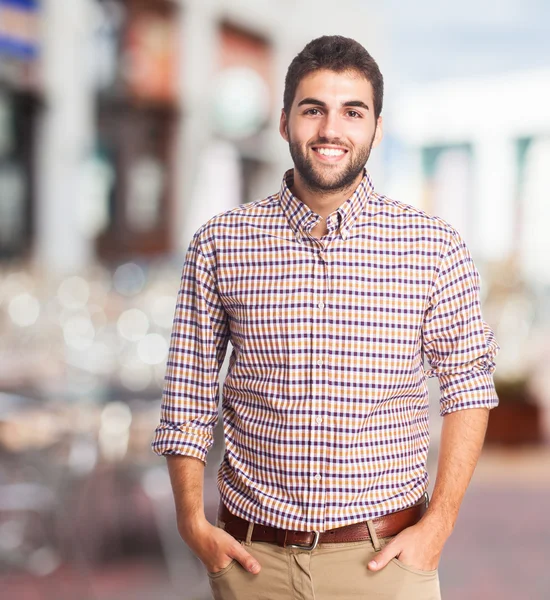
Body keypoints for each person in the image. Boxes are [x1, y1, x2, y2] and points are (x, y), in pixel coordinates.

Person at [152, 35, 499, 600]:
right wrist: (192, 522)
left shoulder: (434, 247)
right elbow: (187, 395)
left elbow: (468, 387)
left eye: (352, 112)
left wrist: (438, 526)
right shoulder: (220, 242)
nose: (331, 130)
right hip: (252, 561)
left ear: (377, 128)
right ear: (284, 120)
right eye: (313, 110)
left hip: (385, 561)